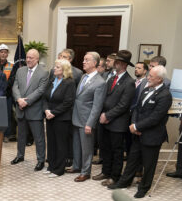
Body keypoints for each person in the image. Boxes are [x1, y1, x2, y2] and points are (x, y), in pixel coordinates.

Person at [108, 65, 172, 198]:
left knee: (149, 164)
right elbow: (137, 109)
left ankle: (144, 188)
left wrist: (137, 127)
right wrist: (134, 124)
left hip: (152, 135)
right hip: (138, 132)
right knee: (132, 159)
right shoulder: (146, 89)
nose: (148, 78)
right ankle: (124, 182)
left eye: (151, 76)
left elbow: (156, 117)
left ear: (159, 79)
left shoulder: (165, 95)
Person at [93, 50, 135, 186]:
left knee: (116, 151)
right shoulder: (111, 78)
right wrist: (101, 114)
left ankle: (115, 177)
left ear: (123, 64)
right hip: (104, 120)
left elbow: (123, 105)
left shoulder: (129, 82)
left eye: (116, 61)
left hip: (117, 122)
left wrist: (108, 115)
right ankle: (106, 171)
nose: (113, 63)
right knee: (104, 148)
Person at [68, 51, 106, 182]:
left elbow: (97, 106)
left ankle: (85, 172)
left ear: (94, 63)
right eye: (84, 59)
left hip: (86, 120)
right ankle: (77, 166)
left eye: (86, 60)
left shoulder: (100, 82)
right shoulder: (84, 77)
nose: (83, 62)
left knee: (87, 148)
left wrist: (90, 123)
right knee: (77, 145)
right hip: (76, 116)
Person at [11, 49, 48, 171]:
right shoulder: (20, 70)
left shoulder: (43, 73)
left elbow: (40, 90)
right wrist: (18, 99)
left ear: (37, 59)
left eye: (31, 58)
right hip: (20, 109)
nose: (28, 60)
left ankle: (41, 160)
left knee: (39, 137)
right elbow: (15, 86)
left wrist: (26, 102)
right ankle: (20, 155)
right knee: (21, 136)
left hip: (34, 110)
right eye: (27, 57)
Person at [43, 59, 76, 177]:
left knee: (60, 144)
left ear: (64, 70)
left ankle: (59, 169)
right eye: (55, 66)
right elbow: (45, 97)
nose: (54, 69)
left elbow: (68, 102)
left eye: (57, 67)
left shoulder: (69, 82)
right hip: (49, 116)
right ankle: (51, 166)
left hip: (61, 118)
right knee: (51, 142)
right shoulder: (52, 80)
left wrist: (54, 112)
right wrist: (46, 110)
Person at [0, 44, 16, 143]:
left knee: (8, 115)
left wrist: (4, 88)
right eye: (1, 52)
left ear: (7, 54)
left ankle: (6, 135)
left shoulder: (11, 66)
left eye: (5, 52)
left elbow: (12, 80)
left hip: (7, 94)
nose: (3, 54)